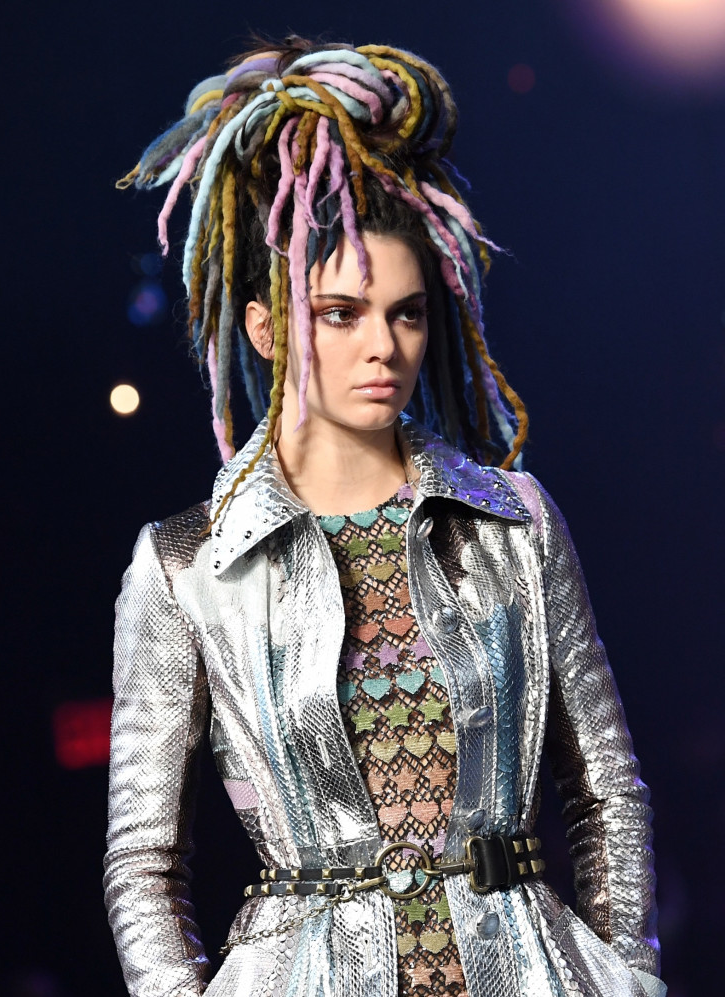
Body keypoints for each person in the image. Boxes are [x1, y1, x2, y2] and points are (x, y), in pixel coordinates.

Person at [104, 38, 665, 997]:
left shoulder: (513, 522)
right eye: (341, 312)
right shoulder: (188, 564)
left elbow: (607, 787)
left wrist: (622, 972)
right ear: (268, 327)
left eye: (405, 313)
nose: (383, 346)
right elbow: (143, 859)